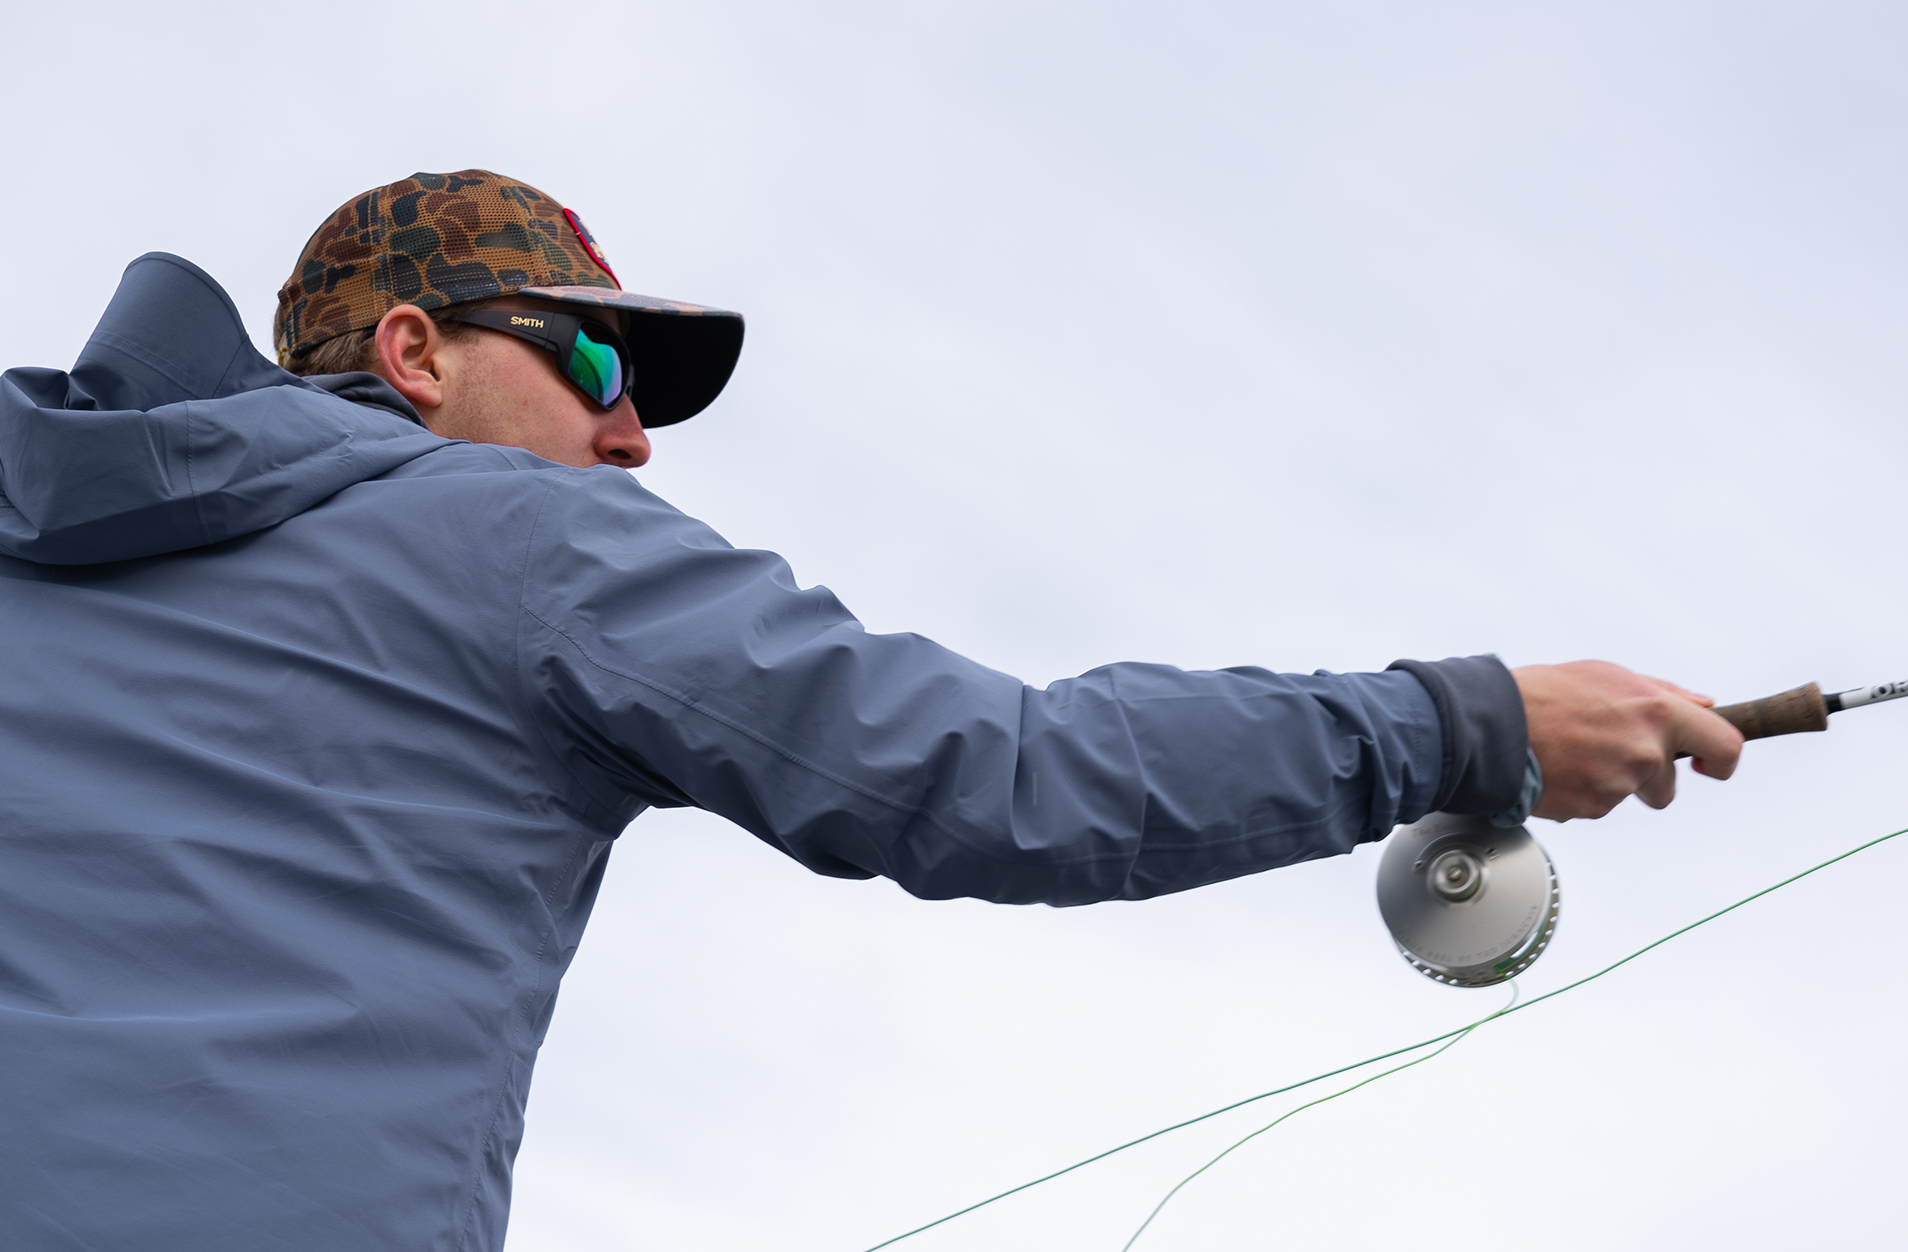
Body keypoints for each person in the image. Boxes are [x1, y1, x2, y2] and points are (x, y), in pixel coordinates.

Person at [0, 170, 1742, 1250]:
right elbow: (1012, 778)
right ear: (413, 357)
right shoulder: (519, 538)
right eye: (594, 362)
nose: (634, 436)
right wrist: (1464, 724)